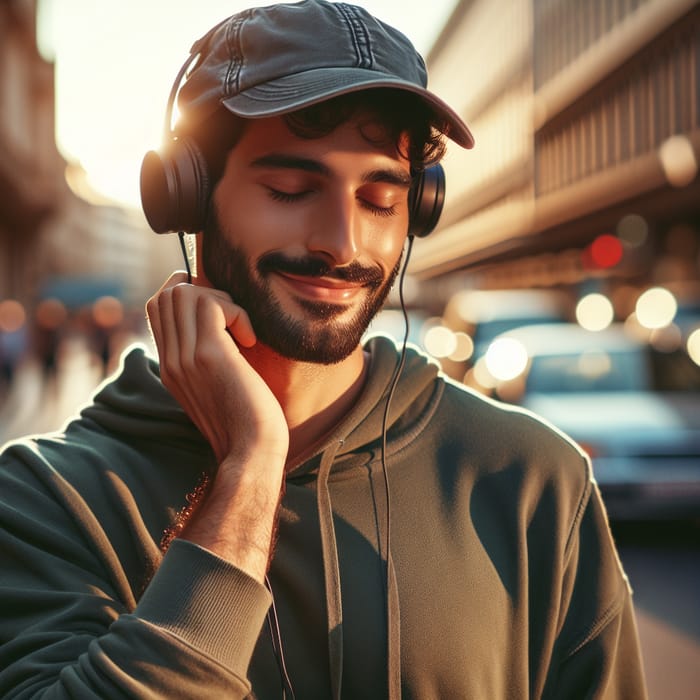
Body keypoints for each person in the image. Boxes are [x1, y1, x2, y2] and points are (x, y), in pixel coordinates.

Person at [0, 1, 648, 698]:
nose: (342, 242)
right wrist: (250, 467)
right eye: (290, 189)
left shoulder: (530, 481)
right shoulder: (46, 501)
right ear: (186, 195)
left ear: (419, 209)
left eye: (379, 198)